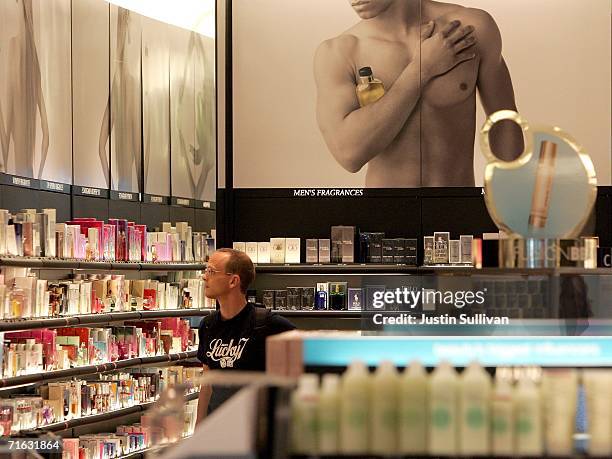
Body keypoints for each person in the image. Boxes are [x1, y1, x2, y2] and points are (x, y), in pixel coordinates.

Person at [314, 0, 523, 187]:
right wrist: (422, 69)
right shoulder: (340, 52)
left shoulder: (471, 28)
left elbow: (504, 121)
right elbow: (349, 154)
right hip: (383, 218)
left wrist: (507, 198)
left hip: (457, 214)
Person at [195, 248, 295, 424]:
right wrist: (199, 431)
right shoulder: (207, 325)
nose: (205, 276)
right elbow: (207, 384)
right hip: (218, 430)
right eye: (206, 270)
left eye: (211, 271)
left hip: (255, 431)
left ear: (233, 281)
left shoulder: (270, 325)